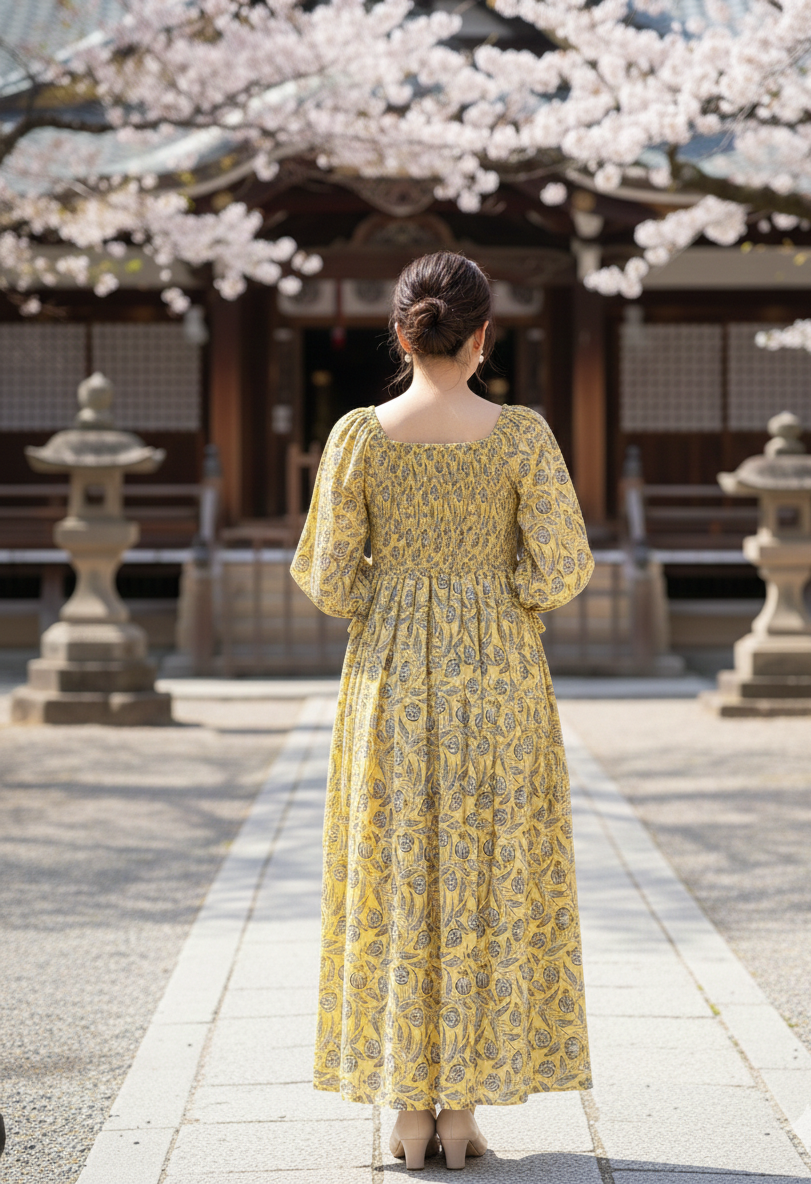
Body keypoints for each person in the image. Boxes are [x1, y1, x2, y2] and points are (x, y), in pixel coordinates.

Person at [291, 251, 595, 1171]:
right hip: (498, 674)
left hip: (390, 679)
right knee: (485, 875)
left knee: (397, 876)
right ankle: (460, 1115)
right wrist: (490, 593)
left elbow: (330, 580)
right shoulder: (521, 436)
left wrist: (403, 589)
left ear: (401, 332)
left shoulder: (356, 438)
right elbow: (564, 567)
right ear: (482, 337)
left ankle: (404, 1116)